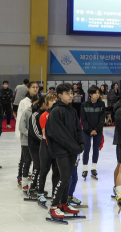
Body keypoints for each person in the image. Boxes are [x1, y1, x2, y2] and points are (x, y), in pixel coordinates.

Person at [44, 83, 85, 221]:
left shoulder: (72, 110)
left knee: (69, 177)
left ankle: (63, 203)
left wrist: (82, 143)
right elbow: (59, 134)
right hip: (61, 150)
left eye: (72, 93)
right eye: (68, 93)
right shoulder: (56, 111)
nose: (71, 96)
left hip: (73, 149)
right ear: (59, 95)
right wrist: (75, 147)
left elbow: (78, 128)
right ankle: (54, 205)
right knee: (65, 176)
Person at [36, 94, 59, 207]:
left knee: (56, 172)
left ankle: (56, 192)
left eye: (55, 100)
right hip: (46, 146)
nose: (54, 102)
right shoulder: (44, 115)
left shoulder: (60, 114)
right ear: (46, 103)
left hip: (57, 147)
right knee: (44, 170)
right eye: (51, 101)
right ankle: (40, 192)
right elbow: (45, 132)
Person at [16, 81, 39, 188]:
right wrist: (20, 133)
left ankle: (34, 178)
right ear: (28, 89)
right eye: (33, 87)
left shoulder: (39, 101)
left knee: (35, 158)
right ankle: (20, 176)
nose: (35, 89)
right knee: (25, 157)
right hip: (26, 135)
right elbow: (20, 120)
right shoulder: (24, 102)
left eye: (37, 87)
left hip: (36, 136)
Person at [80, 86, 105, 180]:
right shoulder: (84, 105)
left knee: (96, 149)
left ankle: (94, 168)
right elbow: (83, 119)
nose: (97, 95)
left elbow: (102, 119)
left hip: (98, 131)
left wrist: (97, 130)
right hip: (87, 131)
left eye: (98, 93)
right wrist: (90, 130)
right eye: (95, 93)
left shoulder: (101, 104)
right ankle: (85, 168)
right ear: (90, 94)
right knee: (86, 149)